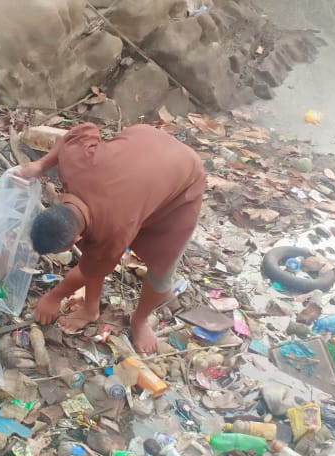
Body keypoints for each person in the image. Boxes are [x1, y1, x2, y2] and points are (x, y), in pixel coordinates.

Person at [13, 123, 206, 355]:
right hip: (147, 140)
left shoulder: (113, 231)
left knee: (161, 271)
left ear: (75, 239)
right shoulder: (74, 164)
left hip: (184, 177)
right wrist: (40, 165)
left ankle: (140, 321)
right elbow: (80, 130)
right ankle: (90, 308)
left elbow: (90, 269)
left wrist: (53, 298)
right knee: (96, 256)